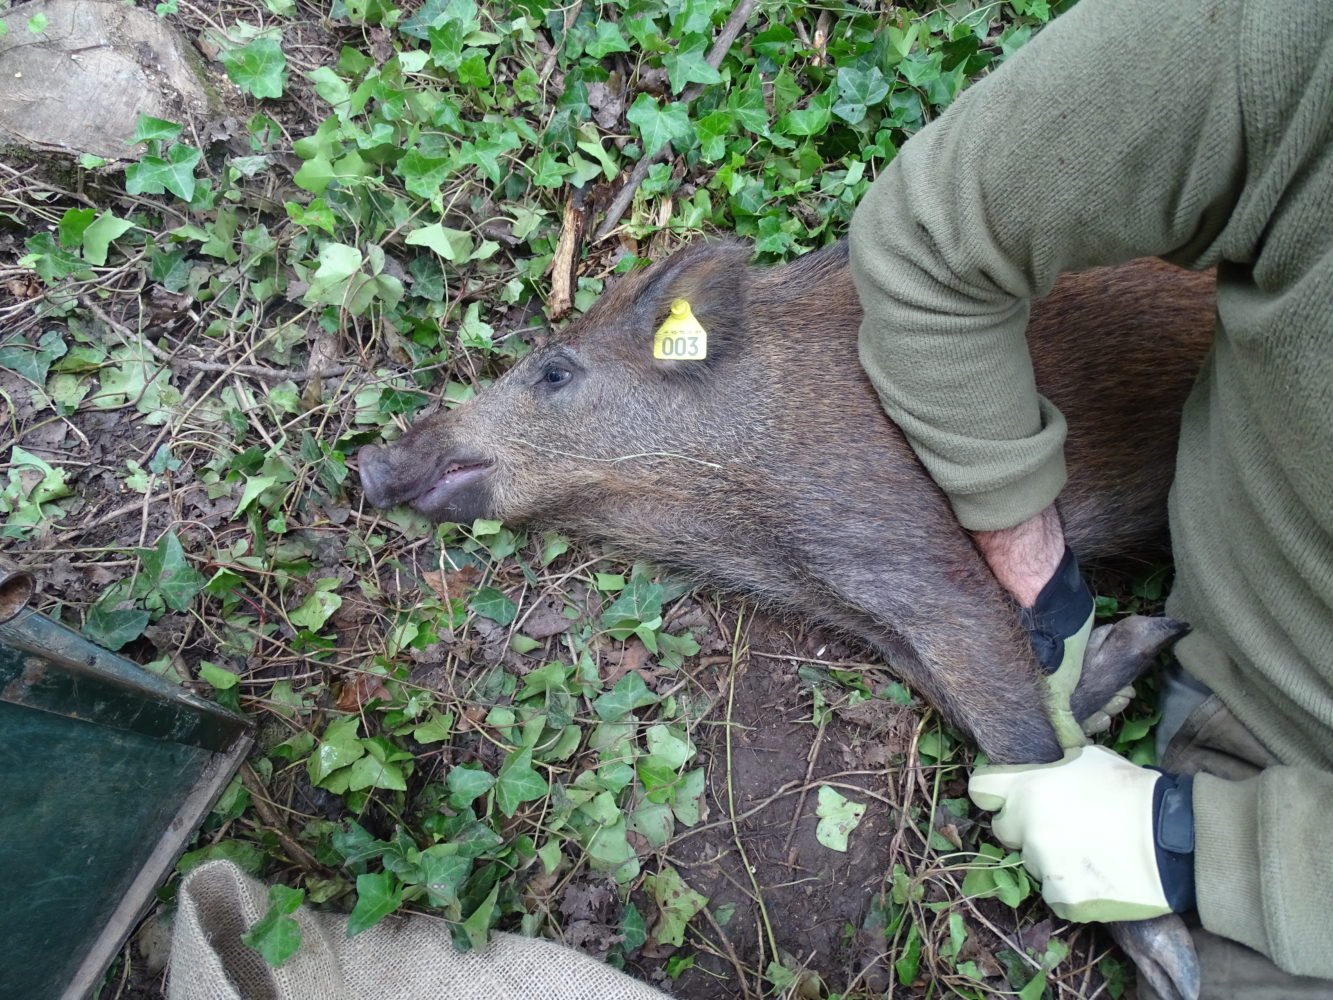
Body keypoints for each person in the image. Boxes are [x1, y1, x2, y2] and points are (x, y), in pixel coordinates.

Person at [848, 0, 1333, 996]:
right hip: (1283, 715)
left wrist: (1201, 850)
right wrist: (1035, 565)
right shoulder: (1294, 41)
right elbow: (939, 237)